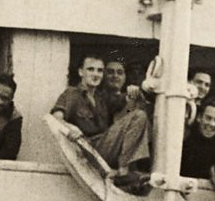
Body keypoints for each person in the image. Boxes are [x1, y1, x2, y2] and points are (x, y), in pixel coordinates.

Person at [52, 53, 151, 193]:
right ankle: (123, 172)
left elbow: (124, 101)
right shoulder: (72, 93)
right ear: (81, 72)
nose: (96, 74)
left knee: (139, 115)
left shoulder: (101, 98)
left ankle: (125, 171)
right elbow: (56, 118)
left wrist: (132, 91)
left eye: (99, 70)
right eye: (90, 69)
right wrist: (70, 128)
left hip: (102, 150)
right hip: (87, 150)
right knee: (138, 116)